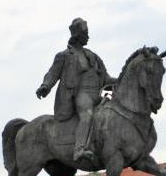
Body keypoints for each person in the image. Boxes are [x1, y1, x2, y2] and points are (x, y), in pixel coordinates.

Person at [36, 18, 116, 161]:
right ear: (78, 35)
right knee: (87, 115)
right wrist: (45, 86)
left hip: (97, 95)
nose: (88, 37)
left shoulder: (93, 56)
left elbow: (106, 79)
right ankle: (79, 149)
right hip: (80, 95)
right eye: (86, 34)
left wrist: (124, 78)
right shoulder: (64, 56)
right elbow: (52, 73)